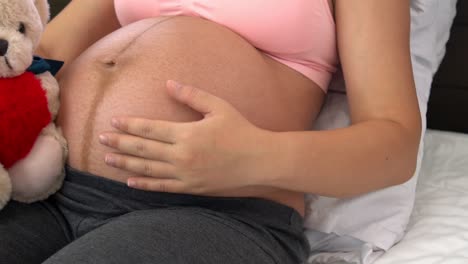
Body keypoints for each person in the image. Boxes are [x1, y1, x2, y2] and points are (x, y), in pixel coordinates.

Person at [0, 0, 421, 263]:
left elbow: (395, 142)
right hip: (49, 190)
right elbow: (43, 54)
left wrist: (254, 156)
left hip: (211, 214)